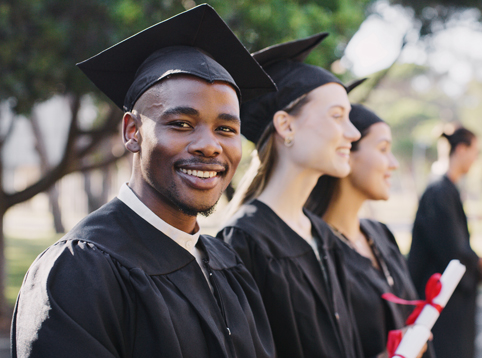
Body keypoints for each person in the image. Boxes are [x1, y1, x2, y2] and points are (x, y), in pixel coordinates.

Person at [11, 5, 277, 357]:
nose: (210, 146)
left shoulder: (226, 263)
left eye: (226, 129)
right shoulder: (79, 272)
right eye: (181, 123)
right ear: (133, 132)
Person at [217, 33, 364, 358]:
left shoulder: (322, 234)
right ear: (285, 125)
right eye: (337, 115)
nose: (353, 133)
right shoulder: (244, 239)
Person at [306, 104, 431, 358]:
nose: (393, 163)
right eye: (383, 149)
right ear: (346, 151)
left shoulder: (381, 235)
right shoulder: (313, 250)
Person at [407, 126, 482, 358]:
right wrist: (478, 265)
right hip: (442, 299)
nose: (475, 159)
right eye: (475, 151)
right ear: (461, 149)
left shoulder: (447, 189)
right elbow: (452, 249)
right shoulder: (438, 192)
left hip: (452, 300)